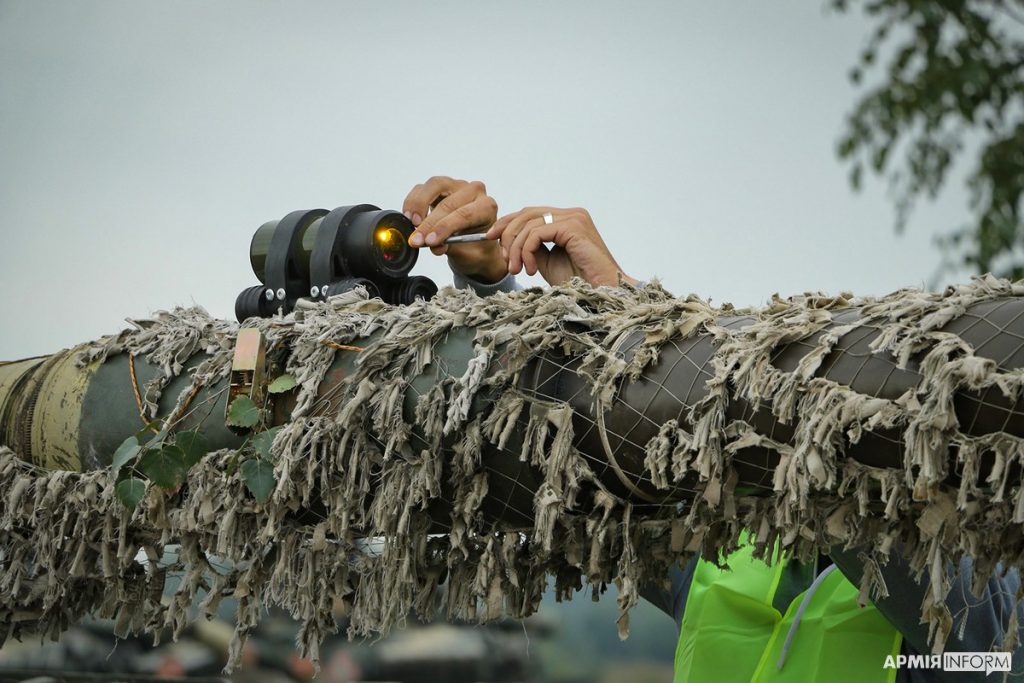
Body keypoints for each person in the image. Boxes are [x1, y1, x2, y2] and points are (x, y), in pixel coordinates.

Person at [401, 176, 1024, 682]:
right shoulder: (720, 551)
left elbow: (987, 659)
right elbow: (563, 444)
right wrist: (504, 283)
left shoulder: (967, 587)